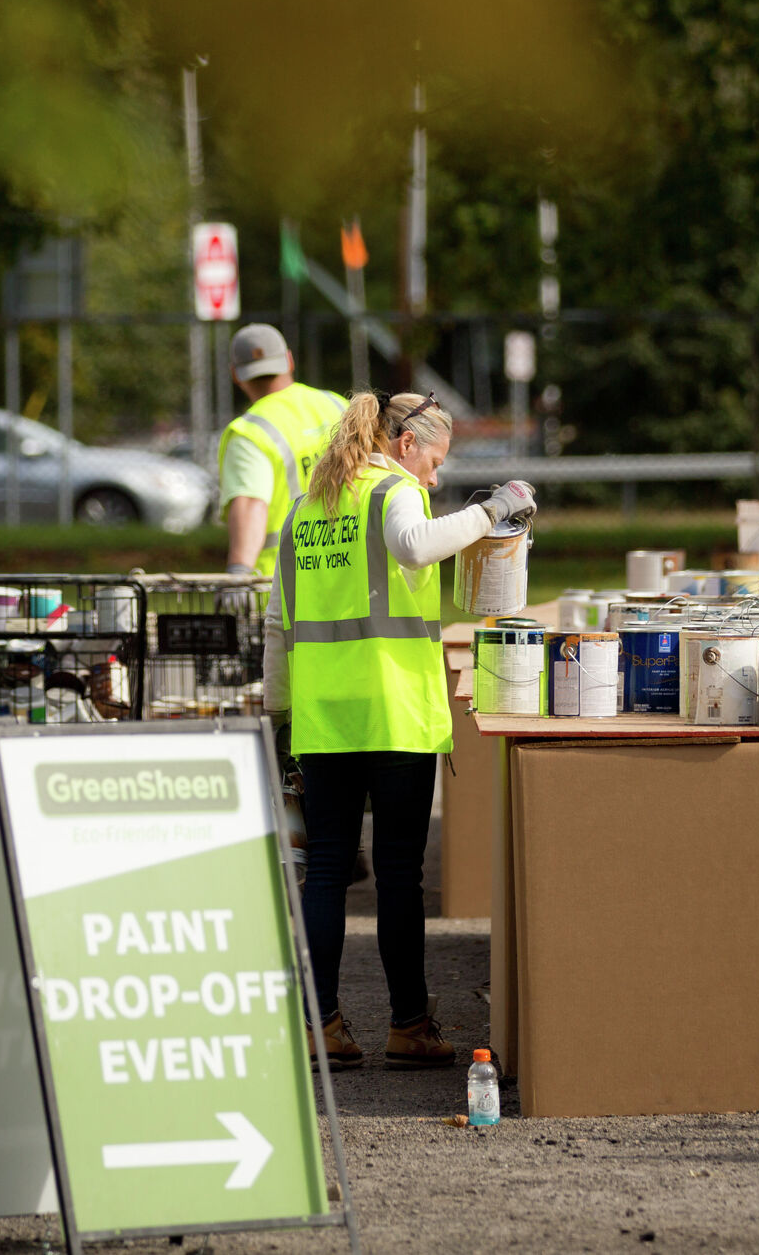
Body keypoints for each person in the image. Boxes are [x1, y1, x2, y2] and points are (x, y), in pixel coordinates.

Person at [263, 390, 534, 1068]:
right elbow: (415, 547)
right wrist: (493, 509)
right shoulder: (394, 492)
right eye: (434, 461)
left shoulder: (306, 508)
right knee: (398, 876)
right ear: (404, 445)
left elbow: (276, 624)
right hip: (395, 712)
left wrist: (277, 717)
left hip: (324, 718)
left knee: (323, 871)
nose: (435, 478)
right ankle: (409, 1026)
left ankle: (319, 1024)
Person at [217, 324, 347, 580]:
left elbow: (250, 502)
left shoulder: (250, 431)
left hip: (284, 588)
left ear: (235, 374)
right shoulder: (338, 406)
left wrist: (239, 573)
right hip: (348, 573)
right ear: (288, 360)